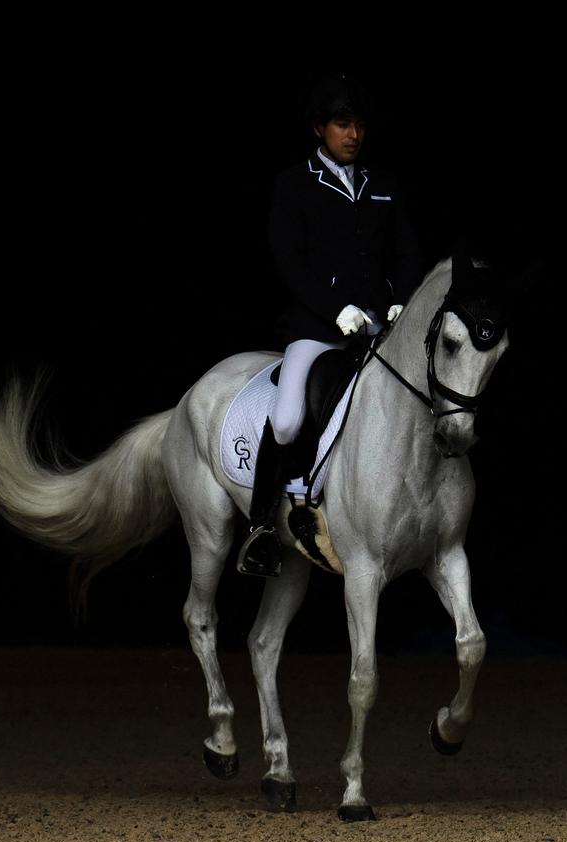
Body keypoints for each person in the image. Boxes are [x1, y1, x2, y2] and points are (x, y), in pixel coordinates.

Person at [237, 74, 425, 577]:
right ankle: (260, 526)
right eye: (343, 124)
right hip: (316, 328)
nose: (354, 134)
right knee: (288, 420)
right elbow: (289, 260)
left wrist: (401, 303)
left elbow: (407, 250)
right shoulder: (294, 184)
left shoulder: (382, 186)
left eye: (360, 124)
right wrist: (333, 307)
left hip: (376, 332)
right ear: (320, 128)